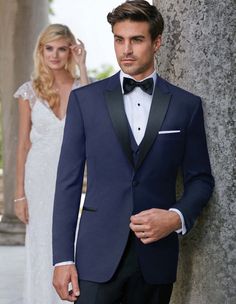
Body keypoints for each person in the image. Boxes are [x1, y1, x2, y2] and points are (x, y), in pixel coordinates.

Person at [52, 1, 214, 303]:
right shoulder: (85, 102)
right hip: (95, 257)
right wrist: (62, 259)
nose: (126, 49)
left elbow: (201, 179)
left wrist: (175, 217)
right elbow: (68, 183)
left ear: (156, 42)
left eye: (136, 40)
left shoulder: (186, 106)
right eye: (119, 39)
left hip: (156, 259)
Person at [14, 24, 89, 304]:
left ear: (70, 50)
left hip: (70, 175)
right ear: (41, 51)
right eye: (49, 48)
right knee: (41, 242)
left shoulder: (81, 88)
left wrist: (82, 65)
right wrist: (19, 194)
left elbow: (94, 119)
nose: (55, 55)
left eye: (61, 49)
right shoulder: (29, 92)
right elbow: (22, 145)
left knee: (72, 238)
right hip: (38, 177)